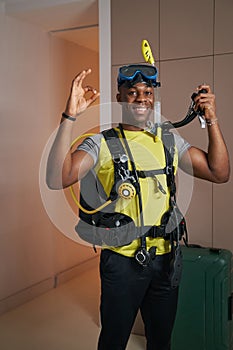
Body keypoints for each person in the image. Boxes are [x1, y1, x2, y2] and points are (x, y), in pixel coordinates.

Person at [46, 66, 230, 350]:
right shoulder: (102, 143)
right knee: (113, 342)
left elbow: (219, 173)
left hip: (166, 260)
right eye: (132, 93)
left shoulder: (168, 140)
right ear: (119, 97)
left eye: (147, 92)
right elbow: (58, 178)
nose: (141, 98)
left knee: (160, 342)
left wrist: (212, 119)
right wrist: (70, 117)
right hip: (121, 263)